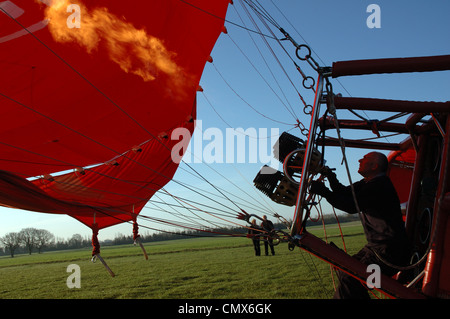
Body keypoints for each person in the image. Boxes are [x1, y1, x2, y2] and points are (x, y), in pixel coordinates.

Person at [309, 151, 411, 299]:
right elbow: (344, 192)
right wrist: (331, 177)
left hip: (390, 253)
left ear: (375, 166)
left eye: (365, 158)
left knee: (352, 279)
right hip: (376, 249)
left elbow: (351, 205)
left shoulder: (379, 186)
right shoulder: (368, 182)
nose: (359, 159)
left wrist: (324, 192)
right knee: (347, 272)